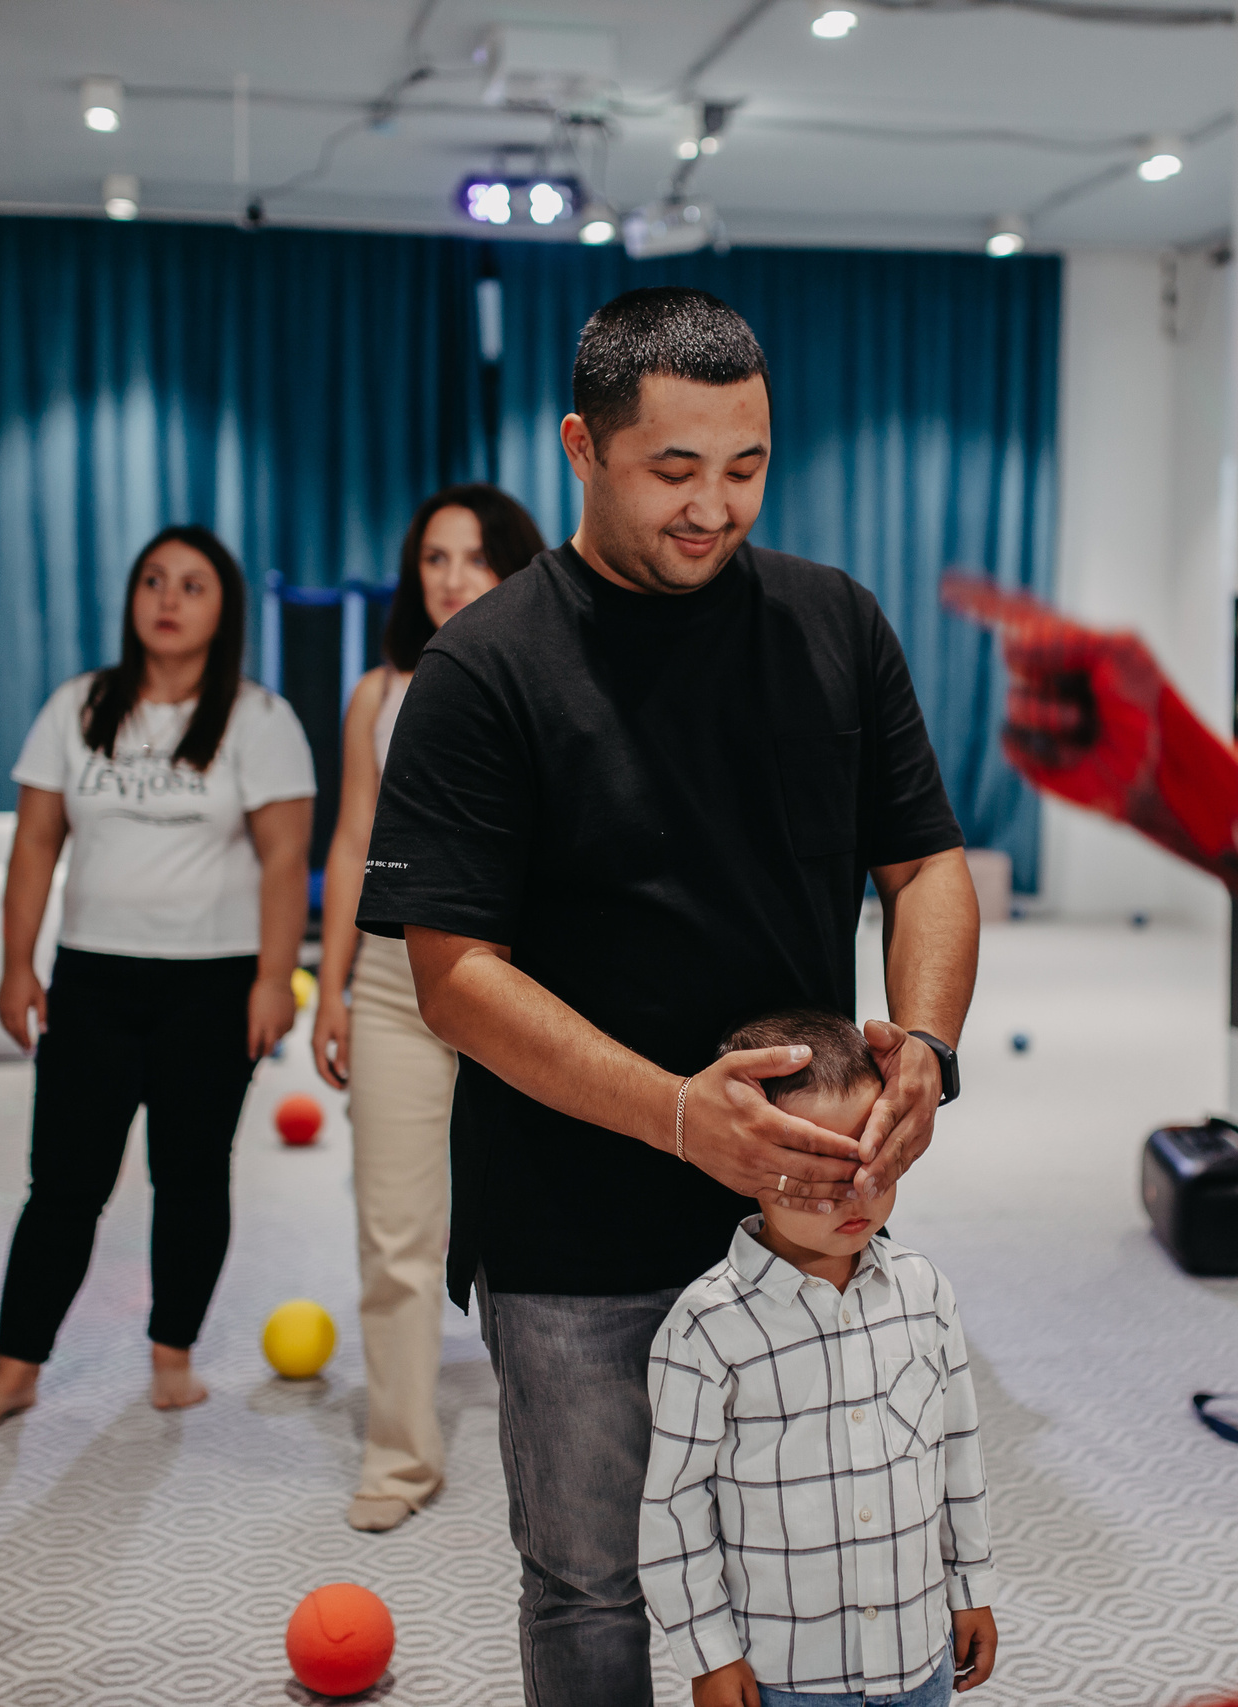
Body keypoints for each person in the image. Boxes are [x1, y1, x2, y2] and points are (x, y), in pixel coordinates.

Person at [359, 286, 981, 1707]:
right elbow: (453, 978)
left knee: (806, 1553)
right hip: (574, 1230)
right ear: (582, 446)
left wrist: (927, 1041)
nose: (716, 508)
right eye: (675, 471)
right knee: (597, 1580)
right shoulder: (482, 672)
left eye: (747, 467)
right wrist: (677, 1117)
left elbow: (927, 862)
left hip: (806, 1204)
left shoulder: (836, 622)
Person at [0, 525, 316, 1435]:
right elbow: (36, 843)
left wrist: (275, 978)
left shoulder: (259, 719)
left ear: (223, 607)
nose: (168, 598)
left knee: (190, 1175)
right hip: (94, 979)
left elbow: (284, 860)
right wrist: (15, 963)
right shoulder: (79, 705)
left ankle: (172, 1356)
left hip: (214, 983)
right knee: (64, 1182)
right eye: (154, 580)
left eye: (192, 584)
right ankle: (15, 1368)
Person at [642, 1011, 998, 1707]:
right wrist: (709, 1654)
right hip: (788, 1675)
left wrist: (972, 1588)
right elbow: (676, 1505)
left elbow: (958, 1451)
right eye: (820, 1164)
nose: (857, 1187)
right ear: (751, 1162)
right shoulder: (706, 1326)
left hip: (916, 1657)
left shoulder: (923, 1291)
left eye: (870, 1152)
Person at [312, 482, 546, 1533]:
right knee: (395, 1230)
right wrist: (328, 982)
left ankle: (570, 1427)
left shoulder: (551, 674)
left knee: (538, 1226)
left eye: (476, 558)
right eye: (435, 560)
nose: (454, 578)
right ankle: (402, 1455)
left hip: (521, 987)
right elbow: (358, 840)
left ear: (515, 567)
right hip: (394, 983)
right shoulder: (379, 693)